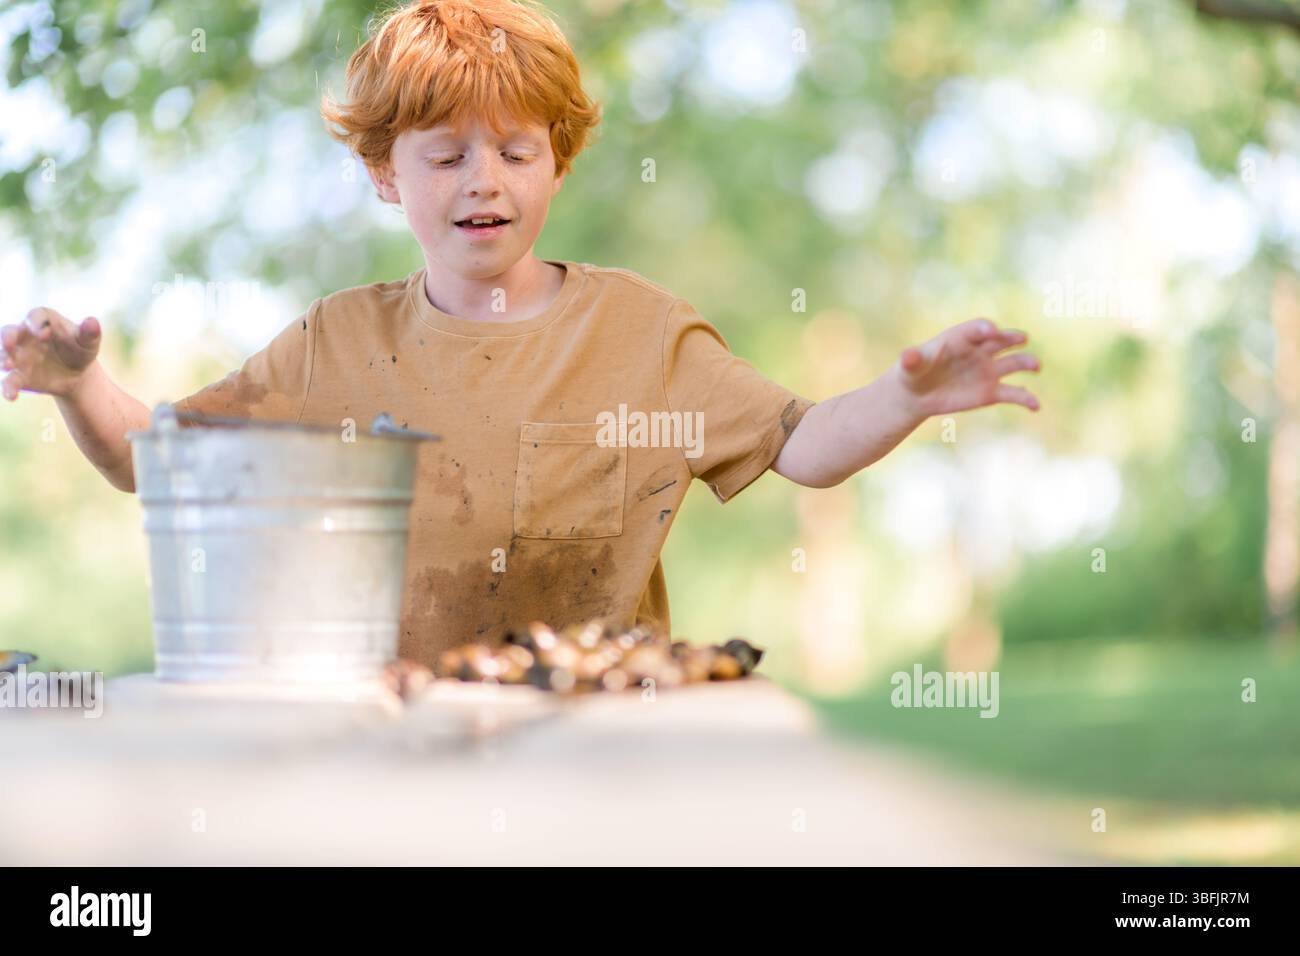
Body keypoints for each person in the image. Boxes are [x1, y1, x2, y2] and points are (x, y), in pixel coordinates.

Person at [2, 0, 1039, 674]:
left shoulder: (642, 332)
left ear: (559, 161)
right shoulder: (333, 343)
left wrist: (902, 398)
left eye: (515, 149)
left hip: (596, 740)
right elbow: (155, 459)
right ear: (383, 174)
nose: (483, 180)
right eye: (446, 154)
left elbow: (800, 443)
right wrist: (74, 386)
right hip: (393, 738)